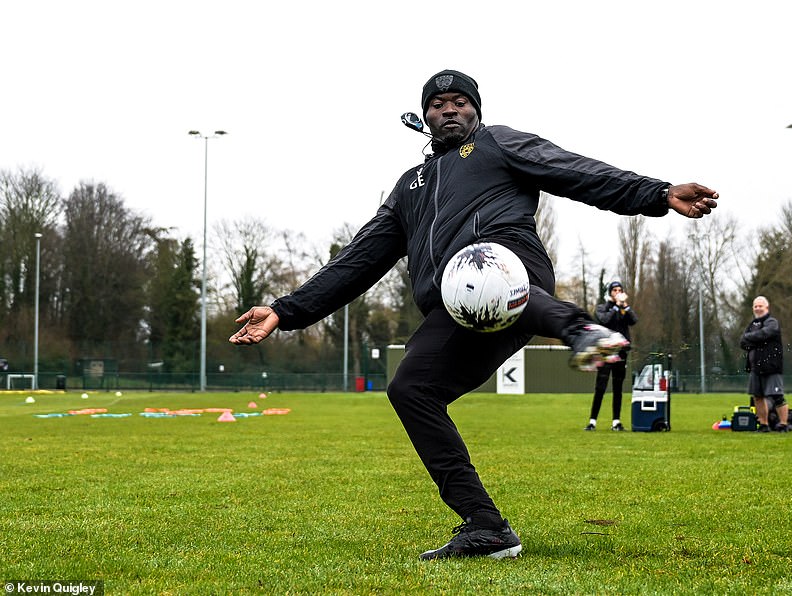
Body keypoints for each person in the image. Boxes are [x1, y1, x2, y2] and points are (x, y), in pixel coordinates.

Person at [229, 69, 719, 560]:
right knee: (409, 389)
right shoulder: (409, 188)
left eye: (459, 101)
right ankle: (485, 526)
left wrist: (656, 193)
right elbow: (358, 260)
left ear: (476, 110)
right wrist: (283, 311)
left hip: (510, 261)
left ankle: (583, 332)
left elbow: (575, 170)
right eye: (437, 103)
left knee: (480, 270)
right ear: (425, 116)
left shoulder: (497, 145)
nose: (449, 110)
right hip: (455, 308)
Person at [585, 280, 637, 432]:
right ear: (610, 293)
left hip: (621, 353)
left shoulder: (623, 309)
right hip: (606, 352)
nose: (618, 292)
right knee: (600, 387)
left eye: (620, 290)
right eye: (615, 290)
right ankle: (592, 421)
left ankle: (616, 422)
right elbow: (605, 320)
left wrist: (625, 307)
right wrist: (615, 306)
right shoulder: (602, 308)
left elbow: (634, 320)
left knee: (618, 388)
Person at [740, 296, 788, 432]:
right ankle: (763, 424)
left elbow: (765, 334)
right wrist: (754, 337)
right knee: (758, 396)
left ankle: (783, 424)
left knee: (777, 396)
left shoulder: (772, 322)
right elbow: (742, 342)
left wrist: (751, 337)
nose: (758, 308)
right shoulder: (752, 324)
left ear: (767, 307)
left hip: (772, 367)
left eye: (760, 306)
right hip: (755, 368)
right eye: (755, 306)